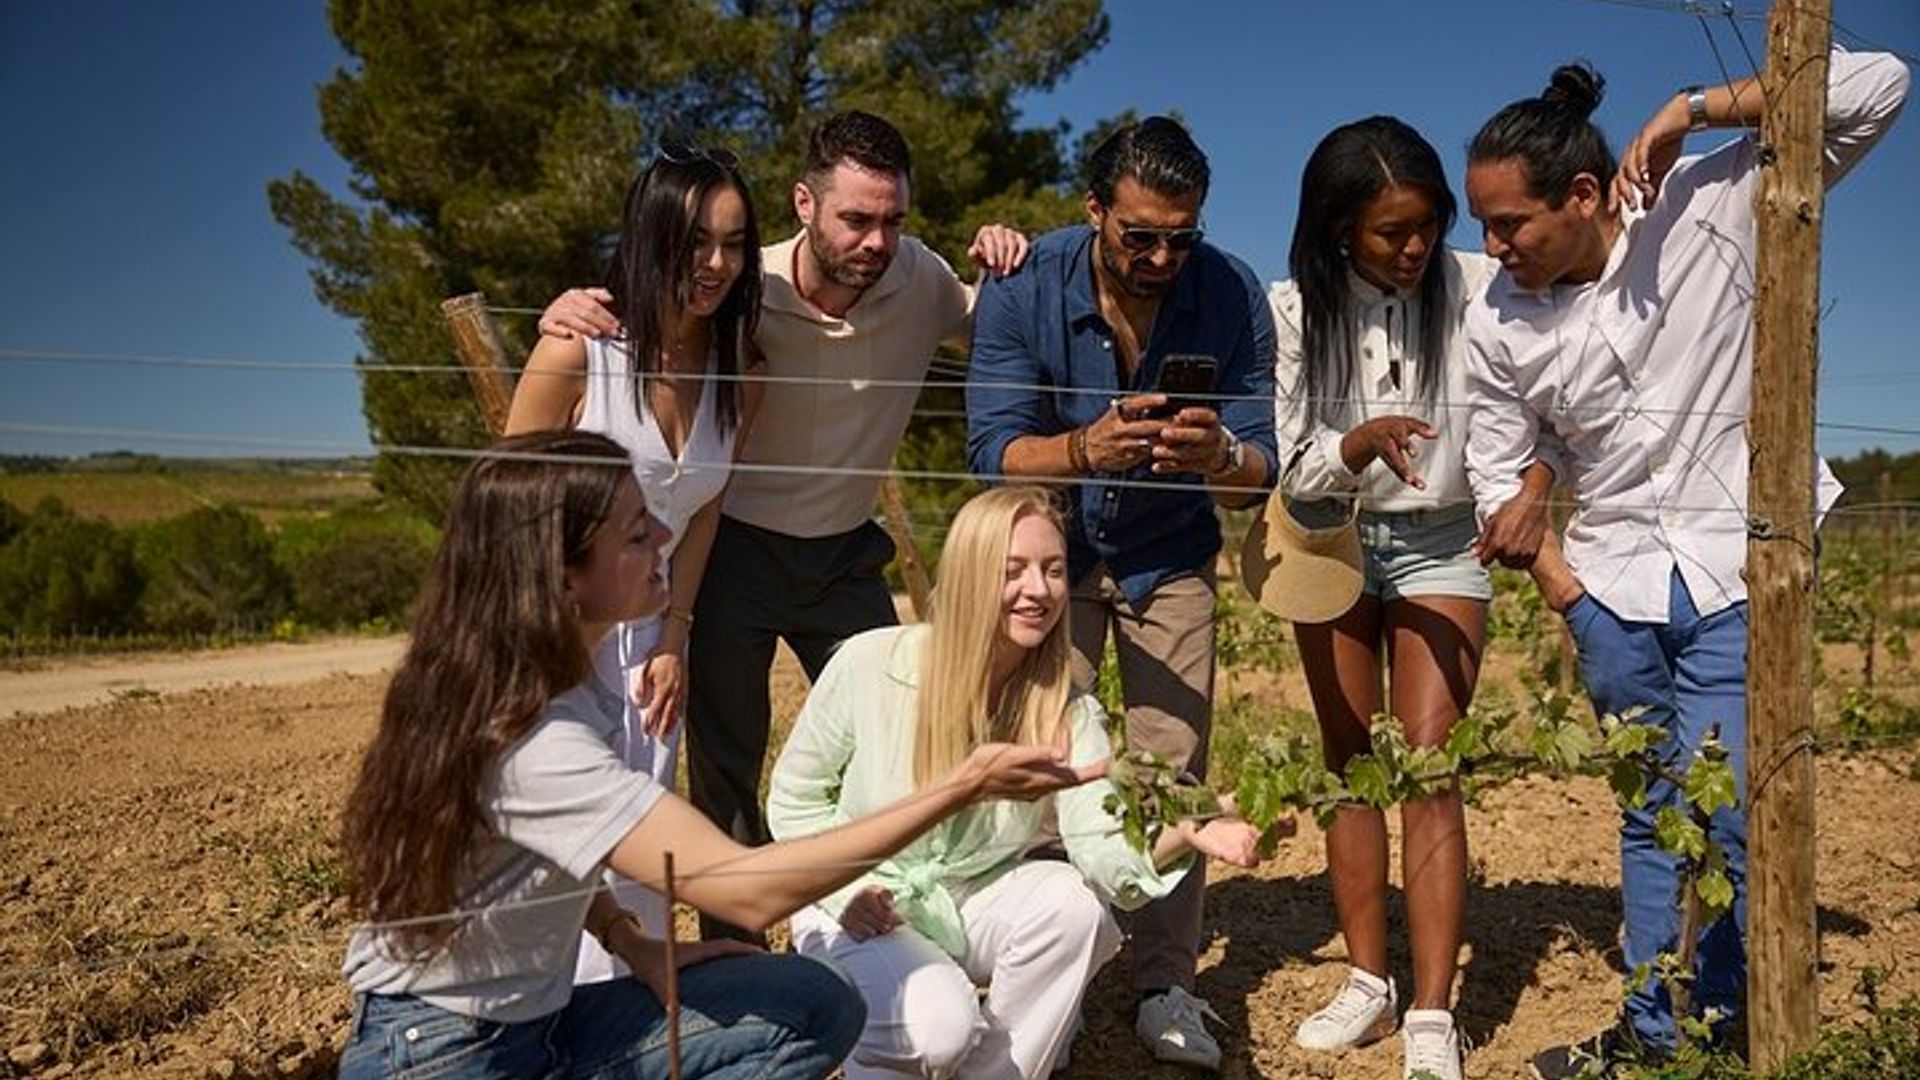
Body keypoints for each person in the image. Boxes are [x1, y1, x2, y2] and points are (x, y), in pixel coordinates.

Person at [336, 430, 1102, 1080]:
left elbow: (545, 858)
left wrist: (628, 939)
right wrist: (961, 785)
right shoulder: (535, 738)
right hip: (441, 1055)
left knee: (812, 1004)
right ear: (563, 575)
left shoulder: (564, 686)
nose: (665, 539)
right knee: (808, 1000)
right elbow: (745, 894)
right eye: (638, 534)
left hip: (538, 1026)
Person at [1462, 47, 1908, 1078]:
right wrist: (1569, 595)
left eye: (1509, 225)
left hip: (1738, 575)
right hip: (1611, 589)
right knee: (1648, 815)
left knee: (1733, 814)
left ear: (1581, 195)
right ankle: (1654, 1039)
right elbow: (1493, 467)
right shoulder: (1495, 318)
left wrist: (1690, 109)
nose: (1491, 247)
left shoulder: (1709, 200)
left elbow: (1878, 83)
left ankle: (1726, 1027)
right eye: (1483, 226)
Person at [538, 113, 1029, 941]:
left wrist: (1013, 263)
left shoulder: (926, 280)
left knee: (904, 732)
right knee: (725, 761)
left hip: (846, 556)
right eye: (856, 219)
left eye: (894, 220)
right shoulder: (739, 290)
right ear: (805, 202)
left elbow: (1006, 330)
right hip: (733, 550)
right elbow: (652, 317)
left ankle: (911, 926)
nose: (877, 241)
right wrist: (575, 306)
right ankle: (734, 951)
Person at [767, 485, 1276, 1079]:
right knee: (940, 1029)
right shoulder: (868, 663)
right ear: (968, 576)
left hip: (962, 903)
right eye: (1014, 571)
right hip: (858, 902)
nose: (1039, 590)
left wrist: (1186, 832)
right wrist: (842, 890)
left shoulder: (1064, 709)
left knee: (1077, 909)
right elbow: (794, 799)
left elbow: (1100, 849)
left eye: (1054, 570)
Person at [965, 116, 1278, 1071]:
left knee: (1170, 763)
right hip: (1045, 555)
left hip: (1166, 555)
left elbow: (1258, 467)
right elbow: (991, 454)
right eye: (1138, 235)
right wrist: (1081, 451)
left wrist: (1217, 454)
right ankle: (1028, 976)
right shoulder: (1025, 285)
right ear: (1094, 210)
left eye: (1180, 237)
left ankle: (1163, 984)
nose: (1159, 257)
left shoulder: (1231, 295)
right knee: (1038, 761)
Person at [1270, 116, 1548, 1080]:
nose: (1417, 246)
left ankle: (1432, 1009)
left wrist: (1535, 486)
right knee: (1349, 760)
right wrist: (1353, 444)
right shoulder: (1296, 310)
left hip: (1442, 540)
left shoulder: (1477, 287)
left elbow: (1547, 385)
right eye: (1392, 232)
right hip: (1331, 537)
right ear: (1341, 227)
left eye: (1427, 224)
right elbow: (1290, 466)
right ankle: (1366, 982)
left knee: (1428, 764)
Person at [505, 140, 762, 979]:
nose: (717, 263)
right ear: (651, 238)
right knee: (553, 858)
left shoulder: (738, 371)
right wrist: (545, 654)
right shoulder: (579, 351)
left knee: (644, 854)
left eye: (732, 242)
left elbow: (708, 509)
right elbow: (506, 511)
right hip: (558, 640)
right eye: (696, 242)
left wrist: (673, 636)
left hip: (651, 641)